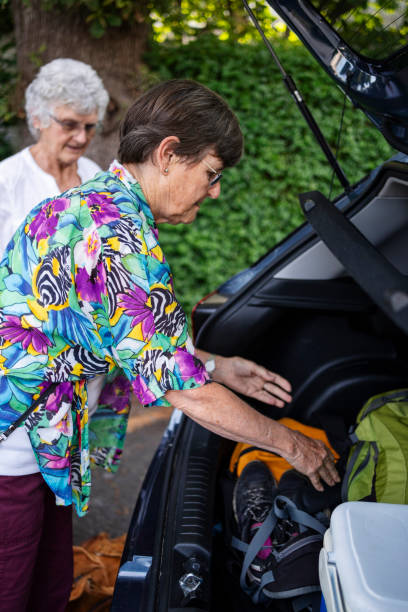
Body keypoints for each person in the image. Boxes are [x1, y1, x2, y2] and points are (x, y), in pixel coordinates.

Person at [0, 79, 339, 611]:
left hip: (39, 440)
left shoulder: (98, 206)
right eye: (211, 173)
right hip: (11, 447)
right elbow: (185, 391)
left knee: (46, 589)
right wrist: (292, 446)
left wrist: (217, 364)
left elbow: (126, 335)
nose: (215, 190)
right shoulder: (114, 232)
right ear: (168, 153)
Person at [0, 58, 109, 254]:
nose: (82, 137)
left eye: (90, 126)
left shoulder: (93, 174)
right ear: (37, 118)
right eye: (69, 124)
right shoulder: (6, 182)